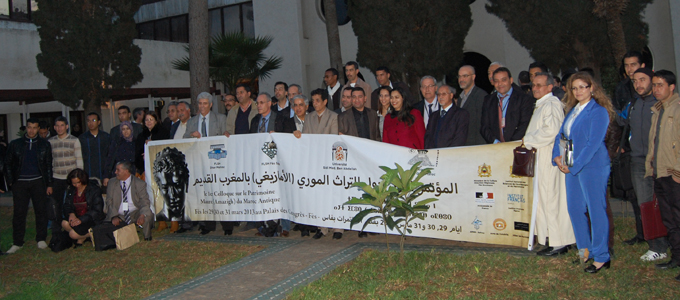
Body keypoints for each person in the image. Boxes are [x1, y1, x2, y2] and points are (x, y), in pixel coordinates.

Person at [552, 71, 614, 273]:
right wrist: (557, 156)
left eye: (582, 87)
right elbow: (561, 135)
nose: (578, 91)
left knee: (596, 210)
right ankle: (584, 253)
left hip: (592, 166)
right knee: (575, 209)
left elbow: (593, 144)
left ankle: (602, 256)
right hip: (572, 166)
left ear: (592, 88)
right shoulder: (573, 110)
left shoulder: (598, 111)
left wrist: (574, 165)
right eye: (574, 87)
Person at [523, 72, 575, 256]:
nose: (535, 88)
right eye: (533, 85)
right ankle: (550, 239)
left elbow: (551, 131)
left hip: (548, 159)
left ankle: (559, 242)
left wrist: (527, 140)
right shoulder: (541, 105)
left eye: (539, 85)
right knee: (543, 200)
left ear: (549, 87)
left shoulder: (552, 104)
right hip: (540, 159)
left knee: (551, 200)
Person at [622, 68, 670, 261]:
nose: (638, 84)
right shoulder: (633, 104)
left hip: (661, 161)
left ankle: (671, 242)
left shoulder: (661, 105)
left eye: (642, 80)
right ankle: (657, 246)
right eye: (635, 81)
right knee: (646, 205)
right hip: (638, 162)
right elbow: (621, 122)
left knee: (667, 204)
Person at [645, 70, 680, 279]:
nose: (656, 89)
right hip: (660, 173)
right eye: (655, 85)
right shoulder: (658, 109)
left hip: (673, 174)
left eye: (660, 85)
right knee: (669, 219)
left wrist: (677, 171)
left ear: (671, 87)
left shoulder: (676, 109)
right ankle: (677, 257)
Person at [4, 118, 53, 253]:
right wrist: (10, 182)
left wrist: (49, 184)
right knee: (19, 213)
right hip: (20, 183)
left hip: (38, 182)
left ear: (38, 129)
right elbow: (7, 163)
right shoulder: (15, 144)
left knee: (41, 211)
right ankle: (18, 242)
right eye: (29, 127)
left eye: (34, 128)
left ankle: (41, 239)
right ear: (26, 127)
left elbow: (48, 165)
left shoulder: (44, 145)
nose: (31, 130)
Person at [48, 116, 84, 235]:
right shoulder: (51, 142)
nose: (59, 128)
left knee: (72, 204)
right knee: (56, 205)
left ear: (67, 126)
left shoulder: (74, 140)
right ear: (54, 127)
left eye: (62, 125)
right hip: (56, 177)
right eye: (57, 126)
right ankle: (57, 230)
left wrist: (79, 178)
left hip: (71, 179)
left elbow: (79, 160)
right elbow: (50, 161)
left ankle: (75, 227)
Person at [480, 67, 535, 144]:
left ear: (511, 80)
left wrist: (510, 144)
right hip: (495, 147)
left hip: (517, 145)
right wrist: (495, 141)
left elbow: (524, 124)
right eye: (496, 81)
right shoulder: (488, 100)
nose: (500, 84)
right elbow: (484, 127)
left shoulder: (523, 99)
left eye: (503, 80)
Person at [104, 161, 154, 241]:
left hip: (135, 211)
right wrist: (114, 216)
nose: (115, 172)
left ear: (126, 171)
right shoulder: (112, 183)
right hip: (119, 213)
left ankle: (147, 237)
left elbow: (144, 201)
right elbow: (109, 201)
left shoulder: (139, 183)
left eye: (118, 170)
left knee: (147, 215)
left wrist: (142, 215)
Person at [61, 168, 104, 247]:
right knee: (64, 223)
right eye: (74, 183)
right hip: (77, 217)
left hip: (90, 219)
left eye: (78, 183)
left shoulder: (94, 190)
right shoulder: (71, 190)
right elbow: (66, 205)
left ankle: (87, 235)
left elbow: (97, 210)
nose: (76, 185)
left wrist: (81, 220)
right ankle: (82, 236)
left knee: (72, 234)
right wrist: (71, 214)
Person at [456, 65, 488, 146]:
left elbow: (482, 125)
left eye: (465, 76)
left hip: (475, 145)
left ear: (473, 77)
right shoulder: (460, 98)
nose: (461, 79)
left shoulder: (480, 95)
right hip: (463, 145)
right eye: (459, 76)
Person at [136, 111, 170, 178]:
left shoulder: (163, 133)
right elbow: (137, 152)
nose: (149, 122)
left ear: (156, 121)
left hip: (160, 167)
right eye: (147, 120)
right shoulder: (141, 136)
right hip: (145, 168)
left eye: (151, 119)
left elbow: (165, 148)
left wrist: (153, 144)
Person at [79, 112, 111, 185]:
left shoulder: (106, 137)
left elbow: (109, 156)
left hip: (104, 174)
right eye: (88, 121)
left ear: (99, 122)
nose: (91, 123)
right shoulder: (82, 138)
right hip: (88, 173)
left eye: (93, 120)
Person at [104, 121, 136, 187]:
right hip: (118, 174)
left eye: (127, 129)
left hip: (132, 174)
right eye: (123, 129)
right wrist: (107, 176)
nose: (126, 131)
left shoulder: (136, 143)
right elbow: (110, 159)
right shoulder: (117, 143)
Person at [614, 51, 645, 115]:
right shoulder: (621, 87)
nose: (629, 69)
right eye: (626, 66)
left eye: (633, 65)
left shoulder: (653, 85)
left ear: (642, 66)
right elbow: (617, 112)